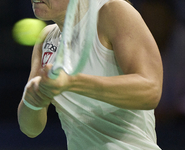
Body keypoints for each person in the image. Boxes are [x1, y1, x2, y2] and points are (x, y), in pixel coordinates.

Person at [17, 0, 163, 149]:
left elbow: (151, 90)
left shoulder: (113, 11)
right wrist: (34, 100)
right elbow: (31, 130)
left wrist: (72, 83)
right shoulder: (46, 39)